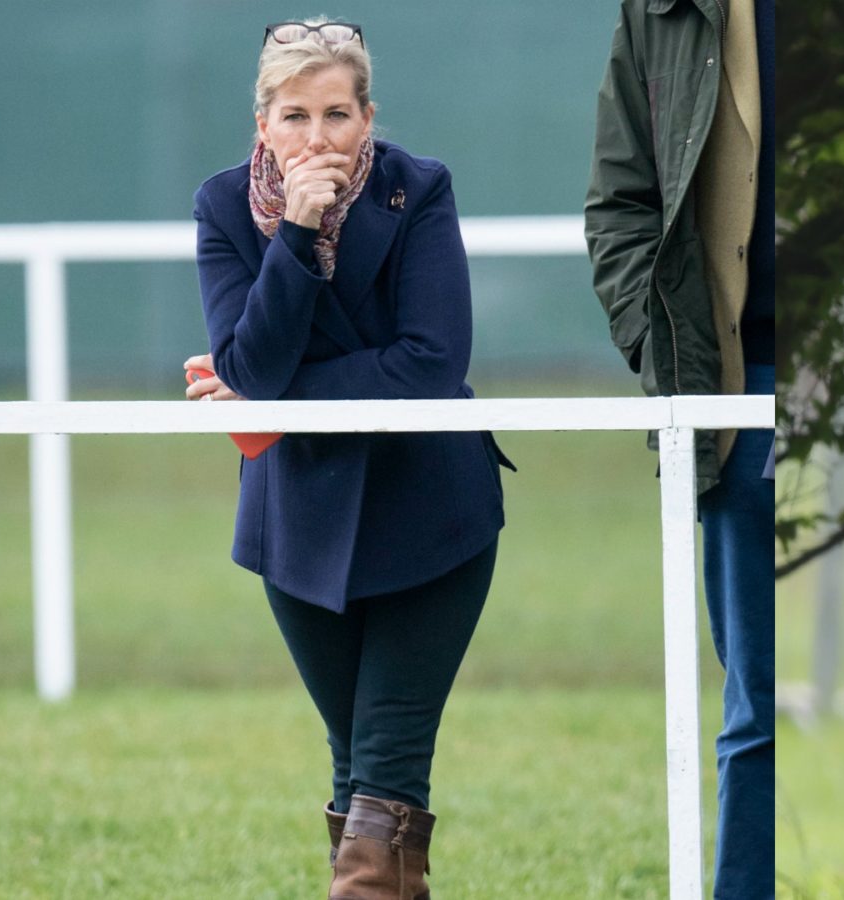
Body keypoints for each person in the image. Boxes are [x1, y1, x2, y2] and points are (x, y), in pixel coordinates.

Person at [183, 19, 512, 897]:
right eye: (294, 116)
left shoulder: (419, 190)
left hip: (433, 518)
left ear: (369, 117)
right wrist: (295, 229)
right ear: (263, 124)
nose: (316, 137)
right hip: (297, 525)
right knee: (356, 771)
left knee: (386, 761)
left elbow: (432, 363)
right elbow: (247, 363)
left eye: (337, 113)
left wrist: (275, 393)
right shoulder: (223, 207)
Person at [585, 0, 775, 896]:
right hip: (738, 389)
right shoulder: (657, 13)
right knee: (757, 708)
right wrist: (676, 370)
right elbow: (618, 206)